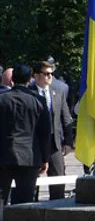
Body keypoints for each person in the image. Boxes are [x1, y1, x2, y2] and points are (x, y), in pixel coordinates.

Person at [0, 65, 51, 206]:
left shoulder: (2, 99)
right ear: (30, 79)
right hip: (30, 155)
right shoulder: (38, 101)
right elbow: (45, 132)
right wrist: (45, 158)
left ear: (12, 80)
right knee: (26, 200)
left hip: (3, 154)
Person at [31, 60, 73, 200]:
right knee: (32, 182)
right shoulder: (29, 92)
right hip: (34, 144)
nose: (50, 77)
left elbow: (65, 116)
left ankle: (56, 208)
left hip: (54, 142)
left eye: (51, 74)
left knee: (58, 179)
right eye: (46, 74)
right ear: (36, 76)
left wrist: (68, 141)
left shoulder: (57, 91)